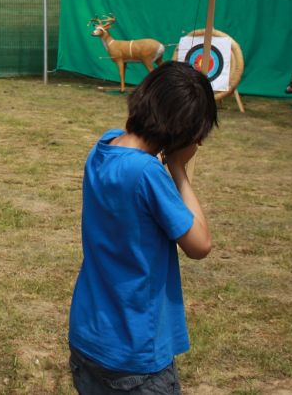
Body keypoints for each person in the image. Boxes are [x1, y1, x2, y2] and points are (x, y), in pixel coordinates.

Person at [68, 61, 218, 394]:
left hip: (89, 336)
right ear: (186, 131)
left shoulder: (103, 147)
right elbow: (199, 244)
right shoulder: (147, 173)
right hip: (133, 355)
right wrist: (178, 167)